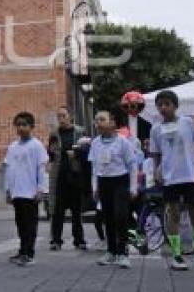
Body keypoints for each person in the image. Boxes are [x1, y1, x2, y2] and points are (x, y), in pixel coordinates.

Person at [148, 90, 194, 271]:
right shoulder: (156, 128)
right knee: (172, 213)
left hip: (189, 174)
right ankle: (176, 255)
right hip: (169, 176)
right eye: (160, 105)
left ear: (175, 105)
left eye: (167, 104)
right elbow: (155, 154)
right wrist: (156, 171)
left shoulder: (188, 122)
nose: (163, 108)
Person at [88, 110, 137, 269]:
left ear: (112, 123)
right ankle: (111, 251)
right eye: (96, 120)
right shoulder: (95, 143)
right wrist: (94, 187)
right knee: (107, 217)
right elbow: (95, 167)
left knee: (121, 216)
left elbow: (132, 166)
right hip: (103, 182)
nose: (98, 123)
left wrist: (133, 187)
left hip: (120, 181)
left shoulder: (123, 142)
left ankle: (123, 253)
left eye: (102, 119)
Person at [5, 111, 49, 267]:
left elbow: (42, 169)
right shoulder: (12, 147)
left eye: (24, 125)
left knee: (30, 224)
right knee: (20, 223)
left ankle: (29, 253)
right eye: (18, 125)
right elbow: (9, 169)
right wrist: (8, 190)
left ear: (32, 127)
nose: (21, 128)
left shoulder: (36, 146)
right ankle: (22, 250)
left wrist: (41, 189)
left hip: (30, 193)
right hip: (17, 192)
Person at [48, 107, 87, 251]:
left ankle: (79, 240)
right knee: (57, 211)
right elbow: (51, 155)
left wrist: (76, 153)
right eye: (59, 116)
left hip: (76, 175)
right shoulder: (54, 133)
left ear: (70, 116)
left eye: (64, 115)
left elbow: (87, 151)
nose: (61, 119)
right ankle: (56, 240)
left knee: (77, 210)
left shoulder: (80, 131)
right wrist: (52, 152)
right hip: (60, 176)